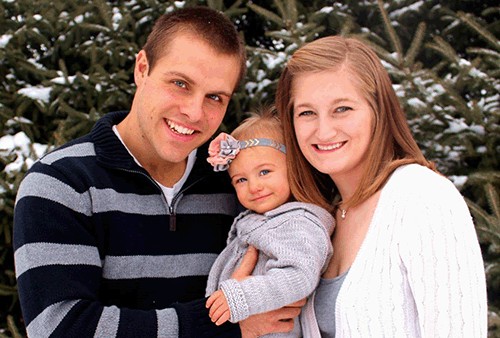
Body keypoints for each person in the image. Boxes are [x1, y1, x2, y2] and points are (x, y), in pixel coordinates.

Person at [13, 7, 303, 338]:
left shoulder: (235, 185)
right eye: (180, 83)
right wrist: (224, 323)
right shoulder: (61, 183)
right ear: (142, 68)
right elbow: (62, 329)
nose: (194, 111)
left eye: (215, 97)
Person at [275, 35, 487, 337]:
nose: (323, 130)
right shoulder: (324, 217)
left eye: (342, 109)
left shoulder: (422, 197)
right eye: (307, 113)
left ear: (378, 110)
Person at [204, 108, 335, 337]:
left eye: (264, 172)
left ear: (293, 168)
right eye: (241, 179)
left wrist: (241, 296)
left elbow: (299, 275)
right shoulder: (265, 219)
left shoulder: (298, 222)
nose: (254, 186)